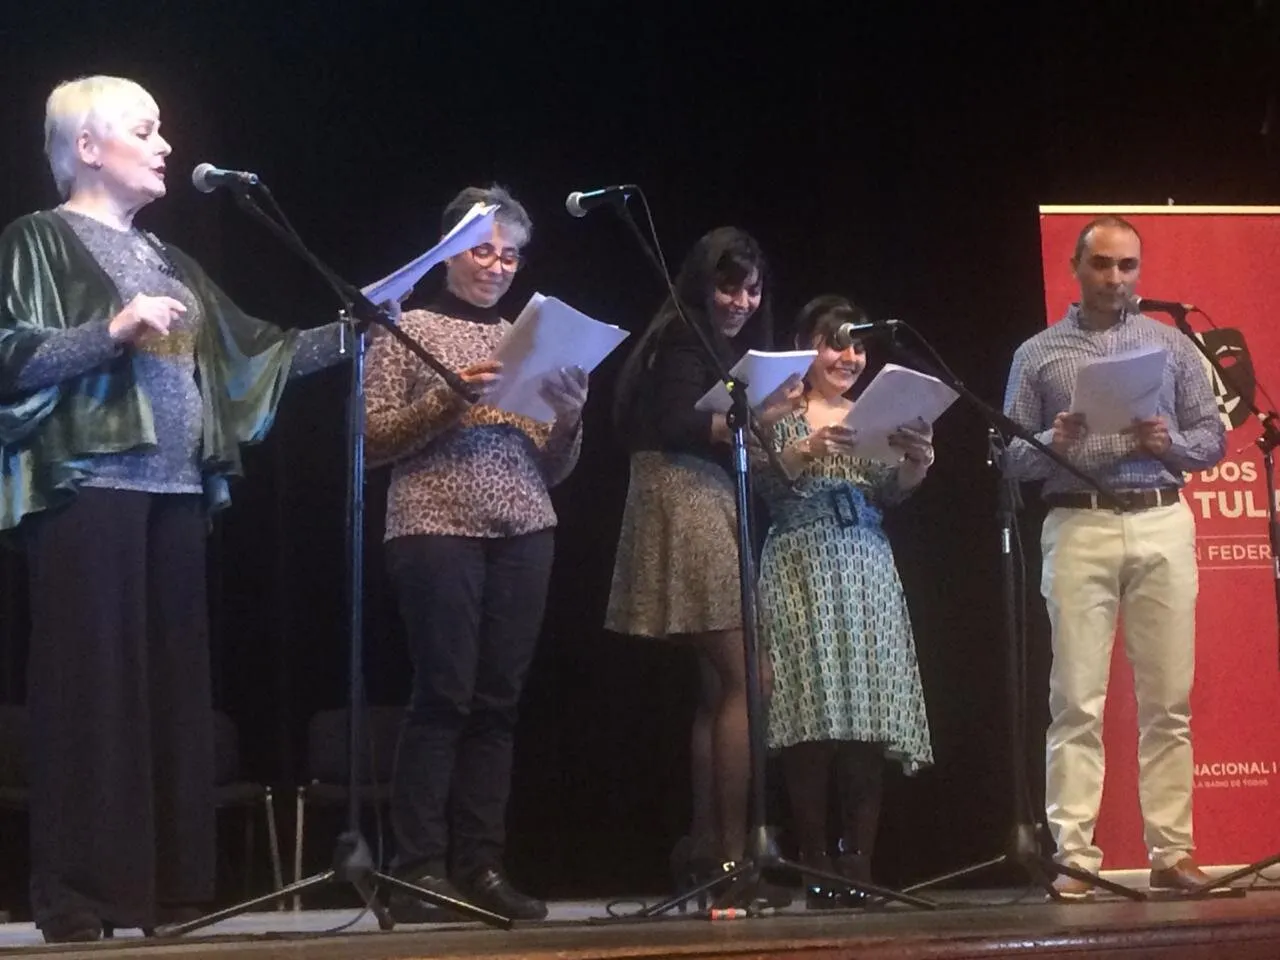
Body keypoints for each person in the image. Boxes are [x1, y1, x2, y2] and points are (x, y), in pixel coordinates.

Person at [0, 75, 347, 943]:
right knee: (93, 693)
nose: (165, 146)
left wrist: (359, 325)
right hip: (88, 488)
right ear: (87, 147)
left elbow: (253, 358)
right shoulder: (38, 239)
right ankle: (78, 892)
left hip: (176, 494)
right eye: (145, 130)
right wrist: (110, 331)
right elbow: (11, 358)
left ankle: (167, 888)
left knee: (171, 694)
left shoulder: (169, 259)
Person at [364, 184, 587, 922]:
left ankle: (481, 865)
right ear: (448, 253)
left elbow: (552, 466)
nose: (496, 266)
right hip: (435, 524)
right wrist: (450, 398)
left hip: (525, 526)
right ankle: (418, 869)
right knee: (444, 697)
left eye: (510, 256)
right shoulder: (405, 326)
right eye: (483, 250)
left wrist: (570, 418)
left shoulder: (529, 337)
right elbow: (370, 441)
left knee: (498, 705)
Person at [1002, 215, 1226, 899]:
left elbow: (1211, 439)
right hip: (1080, 523)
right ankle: (1075, 855)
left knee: (1168, 700)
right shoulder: (1038, 353)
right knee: (1075, 699)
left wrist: (1168, 444)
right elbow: (1010, 459)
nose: (1115, 278)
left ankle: (1172, 851)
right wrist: (1054, 440)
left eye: (1127, 265)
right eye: (1101, 264)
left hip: (1160, 517)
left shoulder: (1171, 345)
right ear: (1076, 267)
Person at [606, 226, 798, 902]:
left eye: (752, 290)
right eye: (728, 287)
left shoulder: (708, 342)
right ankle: (732, 861)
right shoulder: (684, 335)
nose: (741, 302)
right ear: (700, 283)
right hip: (685, 501)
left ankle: (707, 852)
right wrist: (764, 412)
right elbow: (679, 423)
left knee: (719, 687)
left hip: (703, 498)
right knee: (750, 677)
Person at [754, 295, 935, 908]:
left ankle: (859, 862)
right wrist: (806, 448)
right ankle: (815, 861)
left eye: (857, 346)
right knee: (810, 714)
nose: (849, 356)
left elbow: (890, 492)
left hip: (866, 564)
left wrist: (916, 464)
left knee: (867, 717)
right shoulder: (777, 407)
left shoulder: (872, 414)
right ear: (805, 347)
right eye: (834, 343)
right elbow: (757, 480)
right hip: (800, 562)